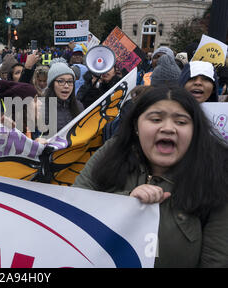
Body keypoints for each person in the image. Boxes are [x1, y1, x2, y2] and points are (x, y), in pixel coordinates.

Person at [74, 86, 228, 267]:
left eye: (181, 122)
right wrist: (126, 203)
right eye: (156, 119)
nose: (168, 128)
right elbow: (74, 213)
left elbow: (217, 257)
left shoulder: (217, 172)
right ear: (136, 126)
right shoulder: (111, 153)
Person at [38, 59, 84, 139]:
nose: (66, 86)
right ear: (52, 84)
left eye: (70, 81)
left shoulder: (79, 106)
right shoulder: (40, 108)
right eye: (61, 81)